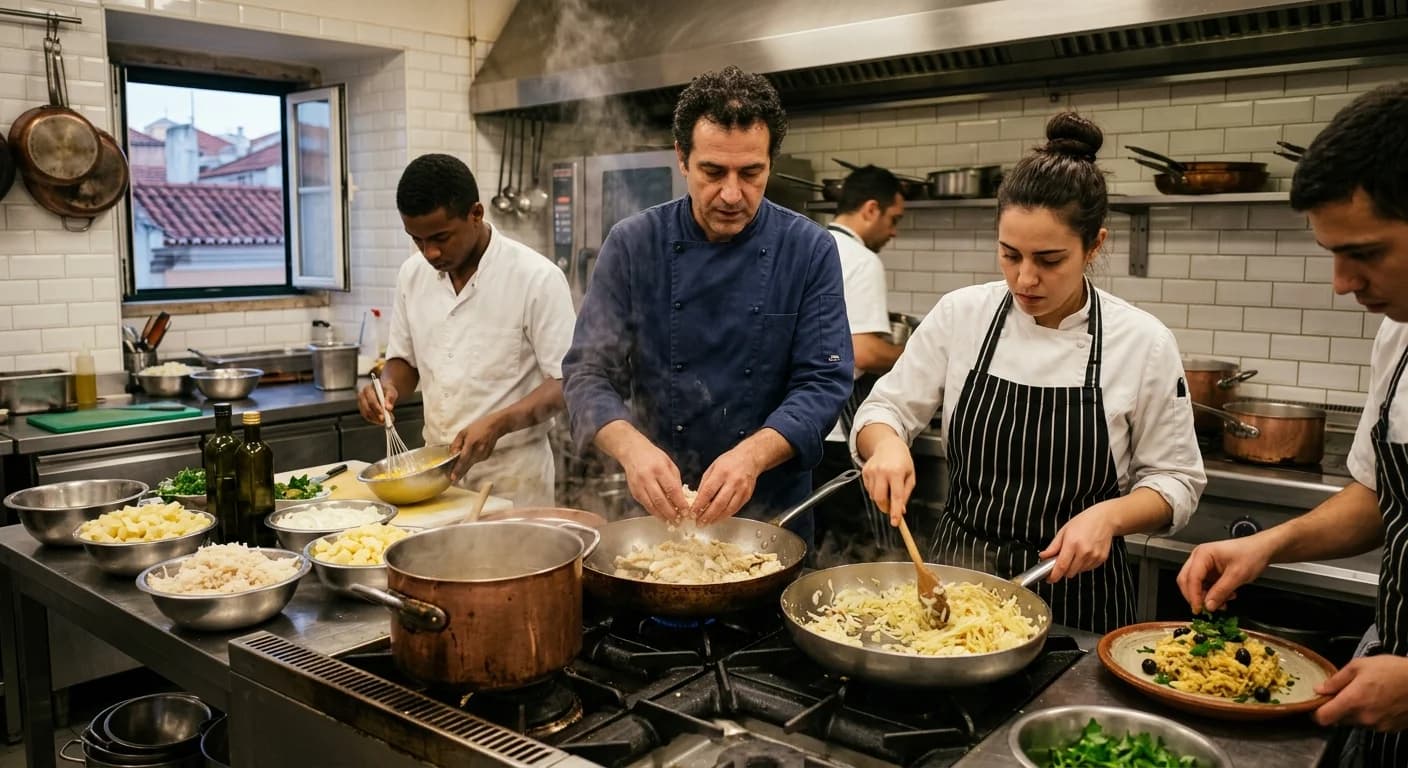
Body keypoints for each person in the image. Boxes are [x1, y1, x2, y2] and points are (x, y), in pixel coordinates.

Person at [850, 112, 1206, 633]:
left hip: (1078, 599)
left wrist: (1109, 517)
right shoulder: (962, 315)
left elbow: (1177, 480)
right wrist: (885, 445)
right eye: (1009, 254)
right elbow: (885, 409)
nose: (1025, 277)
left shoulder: (1143, 342)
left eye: (1050, 259)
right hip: (956, 588)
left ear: (1095, 245)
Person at [1177, 83, 1408, 763]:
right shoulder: (1399, 337)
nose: (1341, 282)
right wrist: (1268, 546)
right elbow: (1380, 499)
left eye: (1363, 253)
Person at [561, 66, 853, 537]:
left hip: (774, 518)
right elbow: (586, 373)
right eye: (713, 172)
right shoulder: (634, 244)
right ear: (682, 158)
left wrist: (751, 456)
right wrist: (633, 449)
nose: (732, 194)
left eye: (751, 173)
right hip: (661, 516)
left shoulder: (808, 249)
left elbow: (823, 383)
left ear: (771, 164)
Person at [358, 153, 576, 507]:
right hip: (434, 477)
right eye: (417, 239)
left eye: (441, 237)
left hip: (513, 478)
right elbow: (405, 361)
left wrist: (499, 423)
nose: (430, 252)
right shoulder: (412, 275)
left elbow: (567, 382)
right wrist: (388, 388)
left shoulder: (536, 278)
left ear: (476, 214)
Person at [814, 166, 908, 563]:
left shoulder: (809, 245)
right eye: (893, 220)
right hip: (834, 427)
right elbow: (863, 351)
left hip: (793, 426)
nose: (893, 232)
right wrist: (915, 359)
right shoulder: (862, 260)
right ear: (871, 209)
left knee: (807, 546)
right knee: (861, 551)